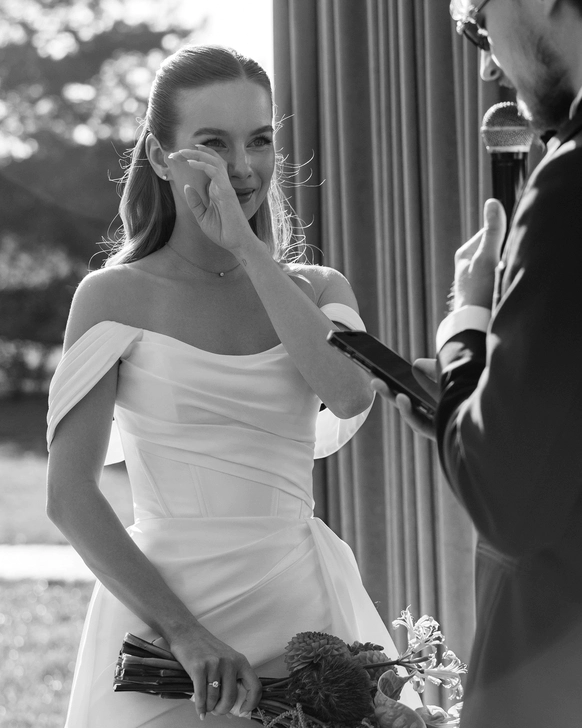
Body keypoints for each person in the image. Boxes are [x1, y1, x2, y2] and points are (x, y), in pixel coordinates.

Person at [46, 45, 421, 728]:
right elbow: (69, 496)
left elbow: (349, 394)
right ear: (160, 157)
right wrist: (184, 633)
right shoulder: (111, 296)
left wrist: (249, 251)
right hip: (164, 625)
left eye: (259, 140)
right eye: (213, 144)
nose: (241, 167)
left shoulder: (319, 289)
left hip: (303, 612)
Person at [375, 1, 582, 726]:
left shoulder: (568, 185)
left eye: (476, 21)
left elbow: (508, 497)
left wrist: (467, 320)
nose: (489, 64)